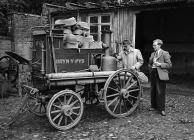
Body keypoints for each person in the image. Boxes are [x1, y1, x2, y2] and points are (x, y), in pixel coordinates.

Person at [148, 39, 172, 116]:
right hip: (153, 73)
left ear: (159, 45)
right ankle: (153, 106)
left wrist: (160, 64)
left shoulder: (165, 53)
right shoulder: (152, 53)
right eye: (153, 45)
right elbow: (149, 63)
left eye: (155, 45)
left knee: (160, 91)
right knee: (153, 90)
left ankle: (161, 109)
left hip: (161, 74)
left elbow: (169, 65)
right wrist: (150, 69)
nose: (153, 47)